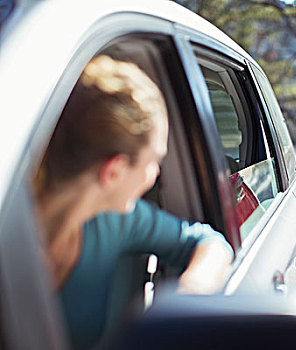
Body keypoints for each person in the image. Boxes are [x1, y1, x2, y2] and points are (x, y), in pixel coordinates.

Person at [34, 55, 233, 349]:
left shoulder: (116, 219)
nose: (154, 176)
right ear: (113, 171)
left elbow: (207, 242)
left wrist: (191, 295)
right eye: (154, 162)